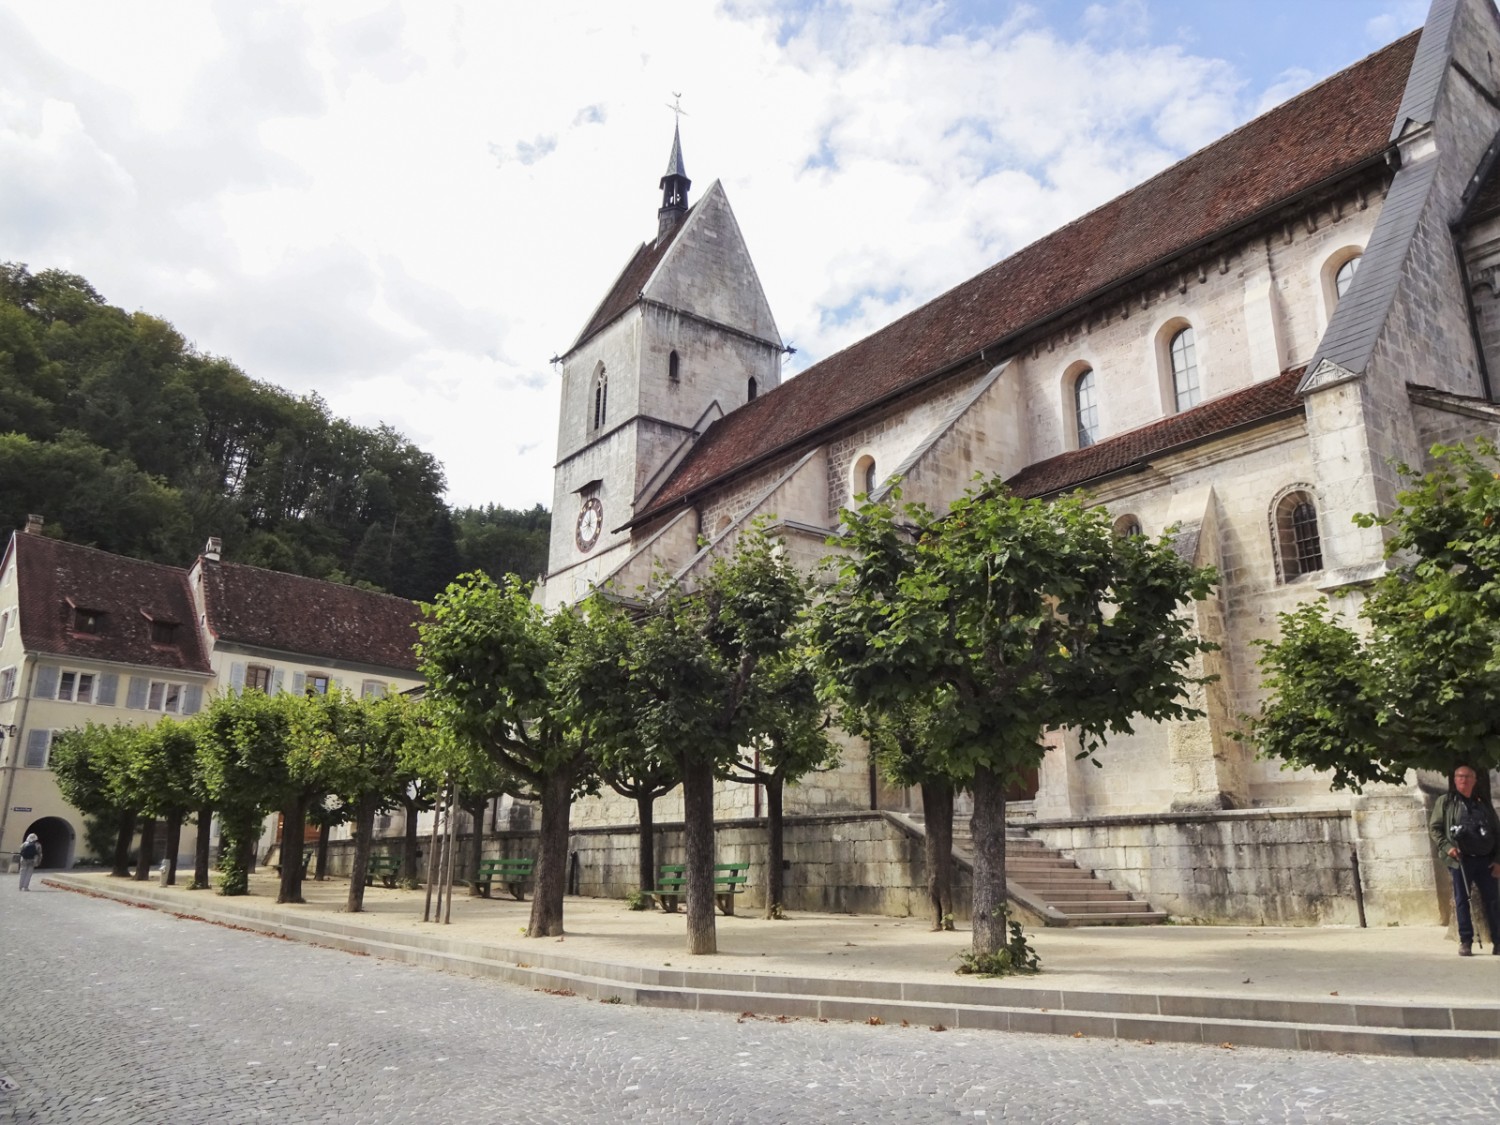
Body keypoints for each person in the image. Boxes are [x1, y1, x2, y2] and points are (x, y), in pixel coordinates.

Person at [1429, 764, 1500, 955]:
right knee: (1462, 900)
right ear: (1455, 779)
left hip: (1486, 860)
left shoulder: (1482, 803)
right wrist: (1448, 847)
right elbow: (1435, 828)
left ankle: (1498, 941)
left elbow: (1497, 831)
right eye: (1460, 776)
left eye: (1468, 776)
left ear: (1475, 780)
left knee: (1493, 901)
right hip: (1461, 860)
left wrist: (1498, 860)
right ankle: (1466, 941)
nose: (1464, 780)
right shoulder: (1446, 802)